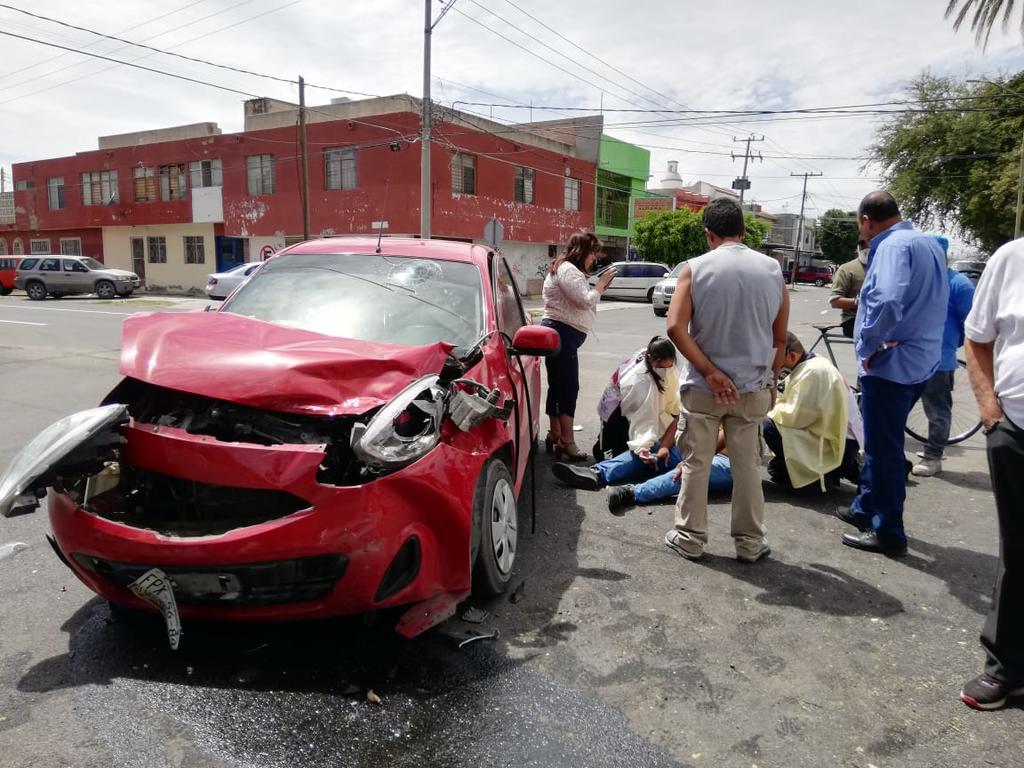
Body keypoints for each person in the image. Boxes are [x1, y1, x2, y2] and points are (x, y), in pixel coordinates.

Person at [664, 197, 789, 564]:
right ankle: (750, 543)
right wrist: (771, 380)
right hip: (752, 388)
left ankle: (690, 538)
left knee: (697, 462)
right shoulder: (772, 270)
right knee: (747, 466)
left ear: (709, 235)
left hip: (704, 389)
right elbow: (779, 338)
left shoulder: (695, 269)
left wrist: (710, 371)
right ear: (744, 232)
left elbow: (674, 327)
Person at [836, 191, 948, 556]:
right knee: (880, 442)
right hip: (919, 360)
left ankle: (888, 531)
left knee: (883, 450)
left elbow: (885, 300)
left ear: (866, 220)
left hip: (890, 366)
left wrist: (869, 345)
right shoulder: (926, 243)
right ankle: (865, 507)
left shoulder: (892, 247)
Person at [959, 237, 1024, 711]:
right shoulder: (1012, 258)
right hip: (1015, 427)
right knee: (1018, 551)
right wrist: (989, 410)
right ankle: (1007, 668)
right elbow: (978, 337)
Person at [552, 337, 680, 490]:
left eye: (668, 367)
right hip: (622, 416)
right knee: (652, 453)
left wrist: (658, 446)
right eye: (661, 367)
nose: (665, 373)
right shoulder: (641, 382)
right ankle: (600, 473)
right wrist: (649, 446)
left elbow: (676, 414)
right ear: (651, 359)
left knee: (656, 457)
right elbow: (645, 417)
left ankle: (602, 475)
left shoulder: (652, 366)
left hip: (691, 452)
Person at [541, 231, 615, 461]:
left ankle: (555, 433)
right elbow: (584, 300)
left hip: (561, 333)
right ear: (582, 252)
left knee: (557, 385)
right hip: (561, 333)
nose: (594, 259)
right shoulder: (568, 270)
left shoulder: (565, 269)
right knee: (568, 388)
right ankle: (567, 441)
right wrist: (601, 285)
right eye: (593, 254)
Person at [762, 332, 862, 492]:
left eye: (777, 363)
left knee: (765, 424)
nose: (776, 368)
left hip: (840, 445)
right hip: (835, 436)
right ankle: (822, 473)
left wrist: (764, 408)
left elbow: (796, 417)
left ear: (793, 356)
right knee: (777, 471)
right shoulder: (813, 362)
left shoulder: (814, 372)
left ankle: (823, 474)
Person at [911, 234, 975, 477]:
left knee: (937, 410)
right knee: (898, 408)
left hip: (939, 360)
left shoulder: (960, 284)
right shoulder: (919, 280)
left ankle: (933, 456)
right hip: (910, 358)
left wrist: (952, 344)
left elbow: (970, 325)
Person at [606, 429, 733, 515]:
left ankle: (632, 493)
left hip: (731, 460)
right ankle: (599, 471)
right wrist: (664, 447)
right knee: (651, 449)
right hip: (700, 444)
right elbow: (680, 418)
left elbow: (728, 432)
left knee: (689, 471)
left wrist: (695, 460)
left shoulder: (744, 394)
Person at [829, 239, 868, 338]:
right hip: (853, 319)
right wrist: (860, 302)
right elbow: (835, 301)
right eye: (862, 246)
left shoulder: (882, 267)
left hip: (876, 319)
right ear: (857, 248)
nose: (866, 250)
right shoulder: (847, 269)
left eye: (870, 246)